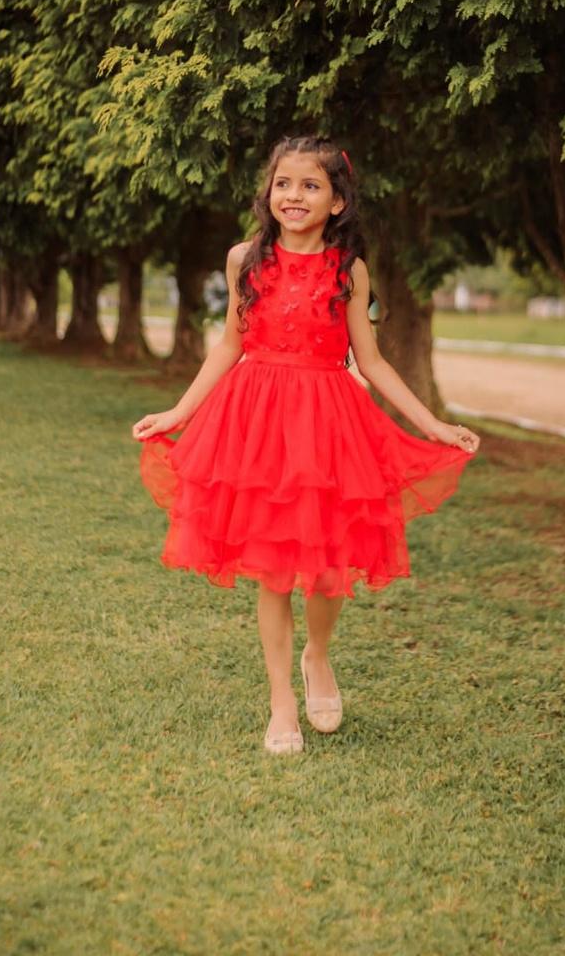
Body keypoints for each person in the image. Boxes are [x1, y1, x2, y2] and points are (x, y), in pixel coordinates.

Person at [132, 135, 479, 755]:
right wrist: (179, 412)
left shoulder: (349, 270)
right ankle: (281, 702)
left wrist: (432, 424)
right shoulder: (245, 259)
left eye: (311, 185)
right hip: (257, 425)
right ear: (269, 192)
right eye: (284, 183)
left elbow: (371, 361)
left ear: (337, 202)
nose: (294, 195)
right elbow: (230, 344)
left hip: (326, 424)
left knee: (324, 565)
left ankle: (317, 655)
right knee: (272, 571)